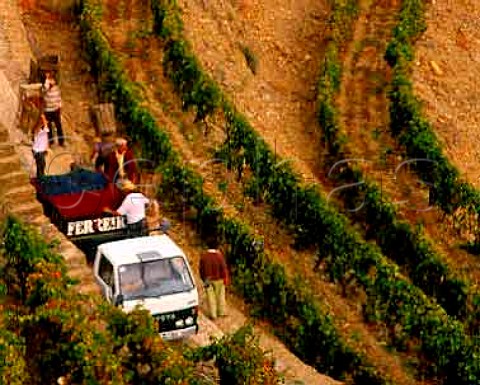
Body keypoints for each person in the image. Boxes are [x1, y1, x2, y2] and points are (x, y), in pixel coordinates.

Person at [199, 239, 229, 319]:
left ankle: (213, 314)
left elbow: (201, 269)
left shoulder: (204, 256)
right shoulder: (219, 256)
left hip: (208, 279)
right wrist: (225, 278)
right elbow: (224, 268)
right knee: (220, 296)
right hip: (219, 279)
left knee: (210, 297)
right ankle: (221, 312)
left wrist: (203, 279)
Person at [42, 70, 64, 146]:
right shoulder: (45, 84)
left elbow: (59, 97)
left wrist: (60, 106)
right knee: (49, 126)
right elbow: (45, 89)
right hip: (47, 110)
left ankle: (61, 142)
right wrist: (48, 84)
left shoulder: (56, 87)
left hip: (55, 109)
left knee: (58, 126)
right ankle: (51, 142)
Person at [32, 113, 50, 178]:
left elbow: (46, 139)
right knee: (40, 165)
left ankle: (41, 178)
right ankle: (40, 178)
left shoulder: (44, 130)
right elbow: (37, 128)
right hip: (37, 151)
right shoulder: (37, 130)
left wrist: (46, 147)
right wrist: (42, 118)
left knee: (42, 165)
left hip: (41, 151)